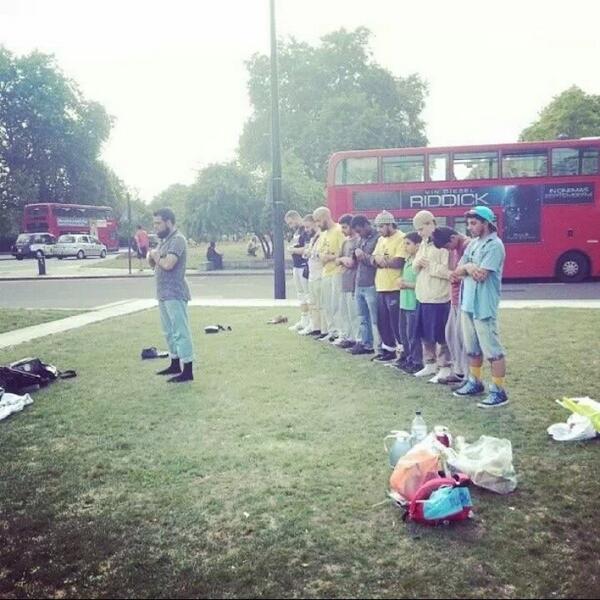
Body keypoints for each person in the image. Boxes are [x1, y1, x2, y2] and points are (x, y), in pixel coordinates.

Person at [451, 206, 509, 408]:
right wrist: (467, 267)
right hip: (467, 304)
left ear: (486, 223)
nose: (470, 227)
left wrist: (468, 268)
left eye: (474, 223)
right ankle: (475, 382)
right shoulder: (472, 244)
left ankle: (499, 391)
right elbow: (458, 271)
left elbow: (481, 275)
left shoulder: (495, 245)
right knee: (472, 349)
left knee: (493, 351)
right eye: (468, 223)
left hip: (484, 306)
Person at [148, 208, 194, 383]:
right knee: (168, 331)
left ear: (168, 222)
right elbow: (154, 263)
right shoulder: (164, 241)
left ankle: (187, 370)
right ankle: (175, 363)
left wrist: (157, 257)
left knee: (180, 331)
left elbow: (168, 264)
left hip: (175, 293)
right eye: (154, 224)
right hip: (163, 293)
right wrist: (152, 256)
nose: (156, 227)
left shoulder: (178, 240)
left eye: (158, 223)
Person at [412, 210, 452, 382]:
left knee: (441, 335)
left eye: (421, 229)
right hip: (423, 296)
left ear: (431, 223)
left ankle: (445, 367)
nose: (419, 233)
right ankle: (429, 364)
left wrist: (430, 266)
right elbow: (414, 267)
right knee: (424, 334)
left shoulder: (444, 241)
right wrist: (417, 263)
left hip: (440, 297)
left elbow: (449, 272)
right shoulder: (423, 243)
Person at [431, 226, 471, 385]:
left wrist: (456, 276)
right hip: (454, 298)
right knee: (451, 335)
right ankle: (459, 371)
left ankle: (468, 376)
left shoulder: (468, 246)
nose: (448, 250)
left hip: (464, 299)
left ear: (454, 238)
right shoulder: (455, 249)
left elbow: (470, 273)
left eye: (448, 246)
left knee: (464, 339)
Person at [371, 211, 406, 362]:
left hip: (395, 287)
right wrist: (382, 261)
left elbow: (398, 261)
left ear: (389, 224)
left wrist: (382, 261)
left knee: (396, 323)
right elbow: (372, 259)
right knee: (382, 322)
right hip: (381, 286)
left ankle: (404, 353)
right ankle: (388, 350)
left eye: (381, 226)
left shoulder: (401, 238)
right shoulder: (380, 240)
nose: (378, 230)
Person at [349, 215, 380, 355]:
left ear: (366, 225)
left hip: (371, 283)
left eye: (360, 230)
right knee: (362, 317)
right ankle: (365, 343)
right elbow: (355, 260)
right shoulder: (361, 239)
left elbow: (377, 261)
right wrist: (355, 254)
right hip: (359, 281)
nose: (359, 234)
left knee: (375, 318)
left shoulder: (378, 238)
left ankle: (378, 346)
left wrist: (364, 256)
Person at [313, 206, 345, 342]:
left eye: (319, 221)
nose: (318, 224)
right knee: (327, 304)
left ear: (326, 218)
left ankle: (340, 332)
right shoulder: (323, 234)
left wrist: (330, 257)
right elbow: (319, 252)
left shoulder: (338, 230)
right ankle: (332, 331)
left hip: (337, 272)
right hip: (326, 272)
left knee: (336, 304)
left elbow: (343, 251)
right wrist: (324, 256)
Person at [396, 232, 424, 374]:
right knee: (404, 334)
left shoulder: (418, 262)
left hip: (413, 303)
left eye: (408, 243)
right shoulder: (408, 260)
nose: (405, 247)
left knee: (413, 335)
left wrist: (406, 284)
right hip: (404, 302)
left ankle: (417, 361)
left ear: (418, 245)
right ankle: (408, 358)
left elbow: (421, 284)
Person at [333, 214, 360, 349]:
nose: (343, 230)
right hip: (344, 281)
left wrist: (342, 260)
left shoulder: (357, 241)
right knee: (345, 312)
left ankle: (357, 339)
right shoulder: (345, 242)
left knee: (354, 312)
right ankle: (348, 337)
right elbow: (337, 260)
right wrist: (342, 260)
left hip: (354, 281)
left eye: (345, 227)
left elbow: (350, 263)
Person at [284, 210, 311, 333]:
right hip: (296, 265)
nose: (290, 226)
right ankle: (304, 319)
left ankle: (310, 321)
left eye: (290, 223)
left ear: (295, 218)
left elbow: (307, 248)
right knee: (300, 294)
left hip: (303, 265)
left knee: (307, 294)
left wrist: (293, 250)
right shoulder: (296, 232)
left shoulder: (305, 230)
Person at [300, 214, 323, 336]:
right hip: (312, 273)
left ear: (315, 223)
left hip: (319, 273)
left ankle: (321, 329)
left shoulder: (322, 236)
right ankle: (315, 327)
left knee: (320, 303)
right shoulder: (314, 238)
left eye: (308, 227)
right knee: (312, 302)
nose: (306, 230)